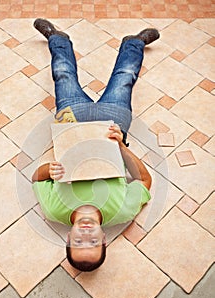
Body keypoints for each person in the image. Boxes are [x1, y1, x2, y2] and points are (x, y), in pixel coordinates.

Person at [32, 18, 159, 272]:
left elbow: (36, 178)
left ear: (69, 239)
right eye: (93, 242)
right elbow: (145, 181)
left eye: (79, 241)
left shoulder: (53, 210)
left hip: (73, 121)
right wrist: (121, 146)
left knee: (62, 74)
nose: (86, 234)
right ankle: (135, 43)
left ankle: (57, 38)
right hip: (111, 126)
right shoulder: (122, 212)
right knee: (125, 78)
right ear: (103, 240)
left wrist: (50, 171)